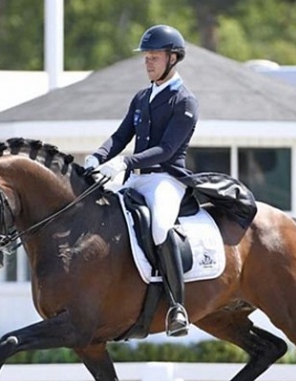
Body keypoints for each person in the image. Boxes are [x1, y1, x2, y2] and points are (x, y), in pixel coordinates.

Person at [85, 25, 198, 337]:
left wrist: (124, 161)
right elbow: (121, 136)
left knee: (160, 226)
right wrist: (98, 156)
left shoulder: (184, 101)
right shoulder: (141, 97)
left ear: (173, 58)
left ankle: (177, 307)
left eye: (155, 56)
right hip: (135, 179)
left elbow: (166, 150)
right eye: (146, 57)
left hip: (166, 180)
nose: (148, 62)